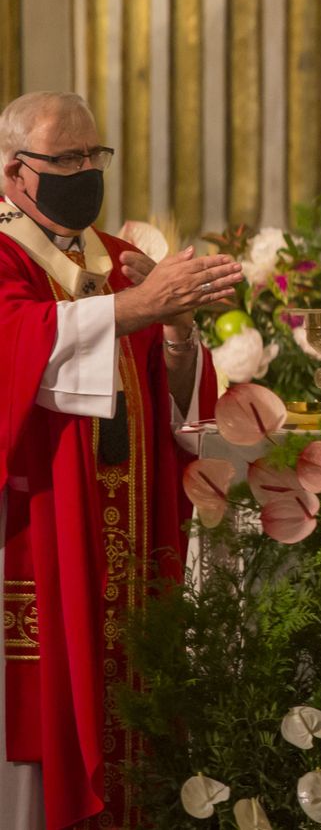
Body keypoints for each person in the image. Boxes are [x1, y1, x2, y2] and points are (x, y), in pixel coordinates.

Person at [0, 92, 238, 830]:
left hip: (128, 535)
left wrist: (174, 334)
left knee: (136, 707)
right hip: (39, 534)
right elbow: (19, 348)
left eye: (92, 157)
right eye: (65, 159)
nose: (84, 171)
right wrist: (138, 308)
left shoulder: (118, 261)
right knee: (39, 748)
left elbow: (171, 406)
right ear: (14, 172)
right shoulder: (6, 252)